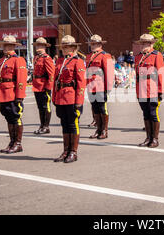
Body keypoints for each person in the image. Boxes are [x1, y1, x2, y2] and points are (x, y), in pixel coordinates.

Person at [53, 35, 86, 163]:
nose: (64, 49)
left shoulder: (77, 61)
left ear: (73, 47)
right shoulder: (60, 61)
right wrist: (55, 97)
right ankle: (66, 150)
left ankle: (73, 152)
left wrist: (79, 101)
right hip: (61, 96)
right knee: (64, 125)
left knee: (73, 125)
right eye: (63, 46)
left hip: (72, 97)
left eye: (67, 46)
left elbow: (81, 83)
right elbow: (55, 80)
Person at [0, 35, 28, 154]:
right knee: (9, 118)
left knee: (15, 117)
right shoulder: (3, 59)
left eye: (7, 45)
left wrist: (19, 96)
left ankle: (17, 143)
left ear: (12, 46)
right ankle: (11, 142)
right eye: (4, 45)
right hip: (4, 92)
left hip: (12, 93)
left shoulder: (18, 59)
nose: (4, 47)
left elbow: (21, 79)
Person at [135, 34, 164, 148]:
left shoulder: (156, 55)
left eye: (145, 43)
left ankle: (155, 139)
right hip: (142, 90)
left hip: (153, 89)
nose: (143, 45)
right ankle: (148, 138)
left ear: (151, 44)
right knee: (145, 114)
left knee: (153, 114)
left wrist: (161, 90)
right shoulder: (138, 57)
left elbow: (161, 73)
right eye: (141, 43)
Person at [85, 35, 114, 140]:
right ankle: (98, 130)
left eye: (95, 44)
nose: (93, 45)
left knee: (102, 109)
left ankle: (104, 131)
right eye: (92, 44)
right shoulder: (88, 56)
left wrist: (108, 87)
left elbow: (109, 72)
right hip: (91, 86)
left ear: (100, 44)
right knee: (95, 109)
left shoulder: (105, 55)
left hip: (100, 86)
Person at [31, 37, 55, 134]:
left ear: (44, 47)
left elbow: (51, 74)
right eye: (37, 45)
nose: (38, 47)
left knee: (46, 106)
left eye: (40, 45)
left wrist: (48, 87)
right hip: (37, 85)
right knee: (40, 106)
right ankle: (41, 125)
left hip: (44, 85)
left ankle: (46, 126)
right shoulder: (36, 58)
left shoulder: (47, 58)